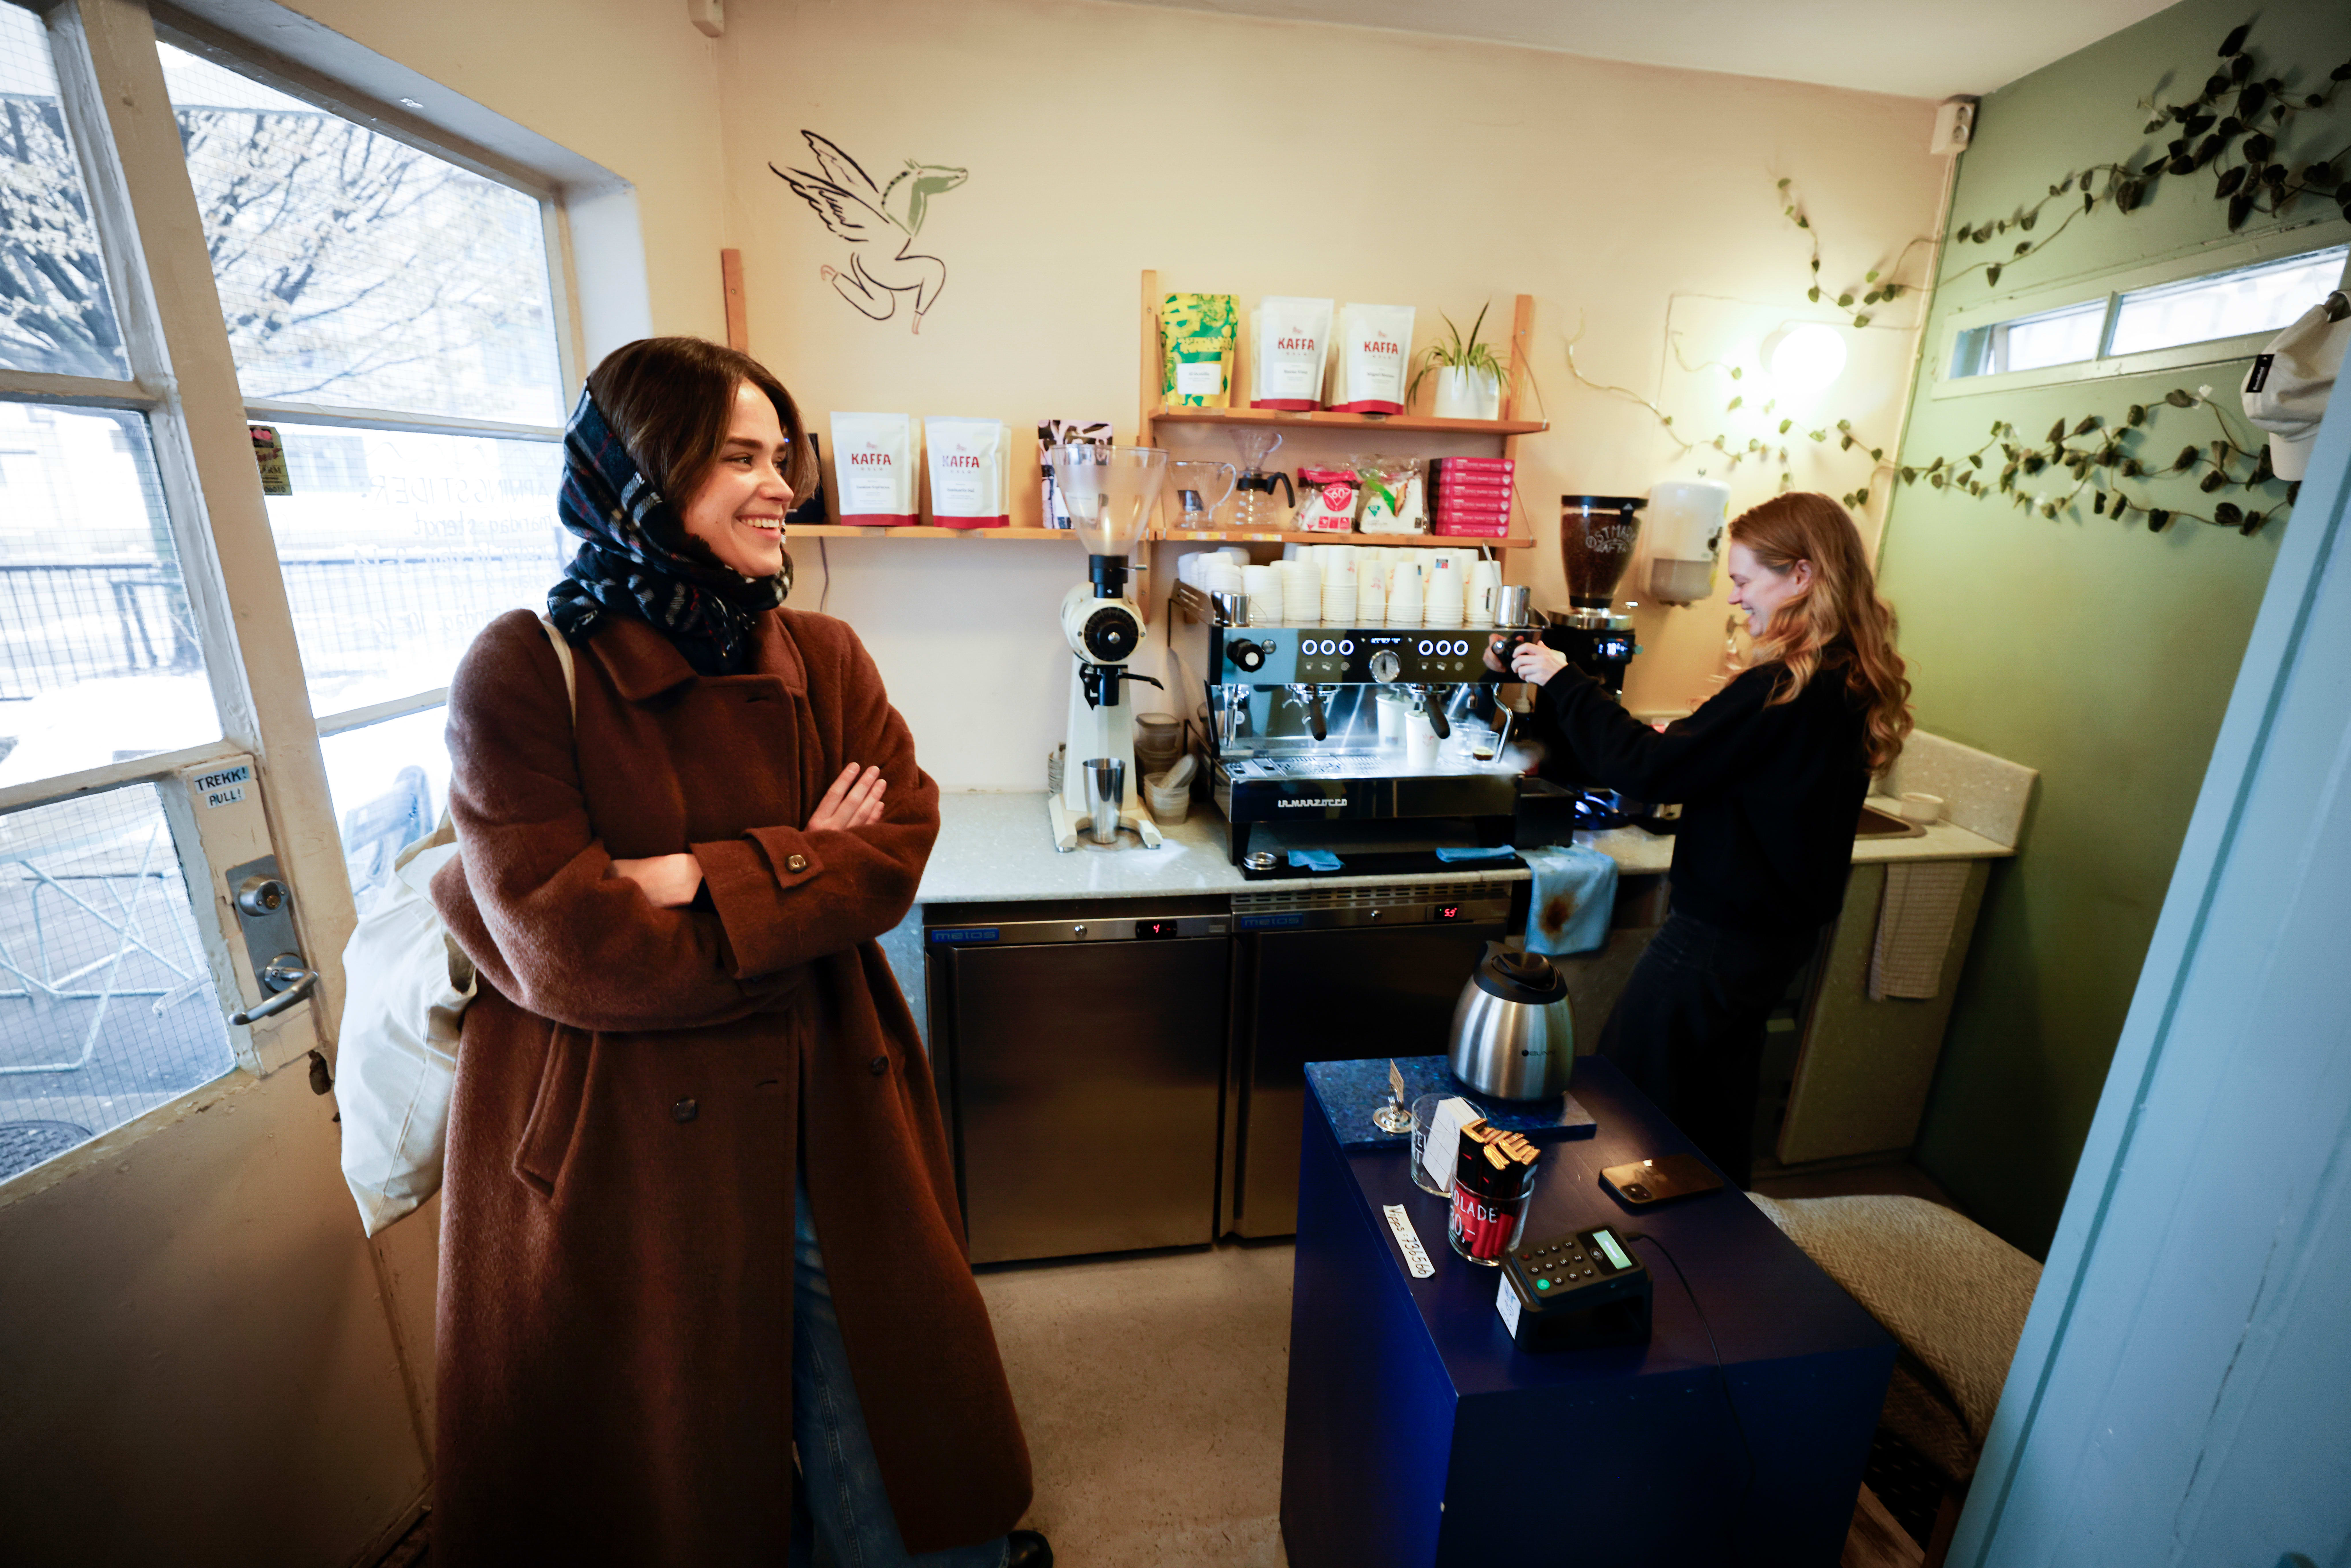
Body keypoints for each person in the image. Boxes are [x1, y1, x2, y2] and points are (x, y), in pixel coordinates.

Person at [426, 337, 1048, 1567]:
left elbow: (896, 849)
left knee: (879, 1390)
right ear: (643, 474)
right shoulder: (524, 668)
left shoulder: (823, 655)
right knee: (675, 1445)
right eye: (739, 459)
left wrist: (681, 876)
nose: (782, 488)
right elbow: (573, 951)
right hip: (622, 1134)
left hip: (830, 1088)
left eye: (784, 457)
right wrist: (796, 868)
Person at [1490, 492, 1912, 1185]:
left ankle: (1617, 1227)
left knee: (1626, 1091)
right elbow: (1743, 771)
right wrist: (1692, 745)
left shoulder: (1780, 686)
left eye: (1745, 580)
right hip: (1777, 939)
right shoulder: (1846, 675)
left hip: (1717, 938)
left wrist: (1562, 678)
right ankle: (1721, 1231)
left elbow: (1646, 769)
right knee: (1714, 1100)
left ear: (1801, 575)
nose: (1736, 597)